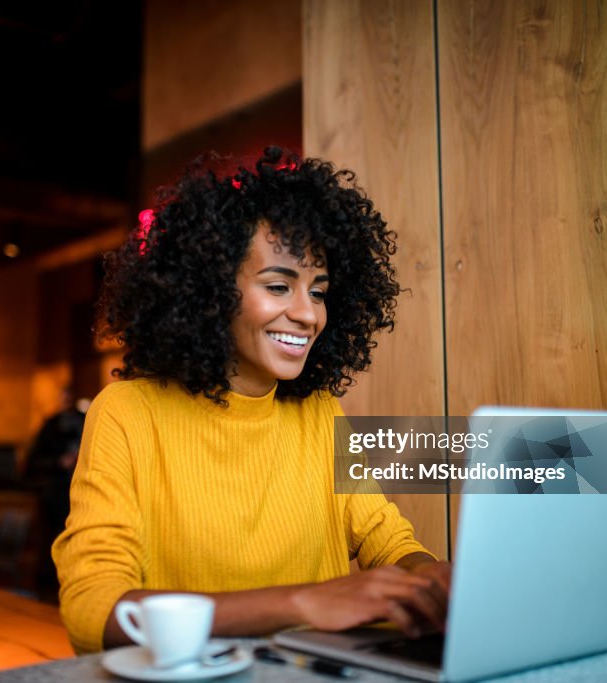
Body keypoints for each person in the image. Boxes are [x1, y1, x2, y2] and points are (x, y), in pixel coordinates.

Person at [53, 146, 451, 654]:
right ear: (213, 292)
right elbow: (94, 611)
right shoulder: (128, 413)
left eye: (319, 291)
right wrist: (302, 603)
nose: (308, 315)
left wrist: (432, 581)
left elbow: (387, 540)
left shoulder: (319, 410)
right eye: (279, 286)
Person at [27, 386, 86, 592]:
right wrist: (59, 462)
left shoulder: (88, 420)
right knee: (55, 539)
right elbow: (32, 463)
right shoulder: (50, 426)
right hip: (57, 495)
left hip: (85, 494)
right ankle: (54, 583)